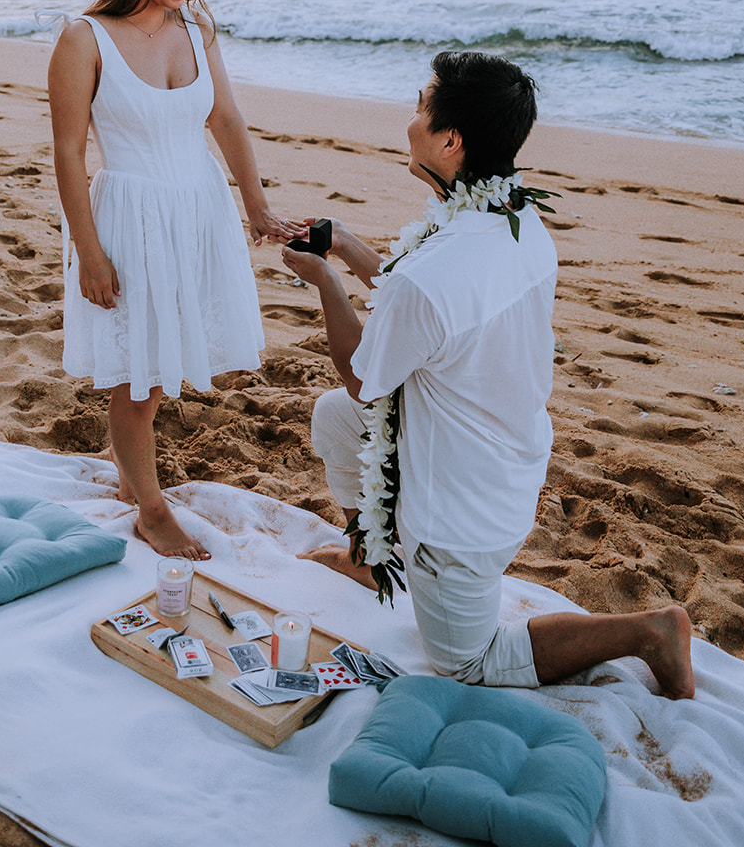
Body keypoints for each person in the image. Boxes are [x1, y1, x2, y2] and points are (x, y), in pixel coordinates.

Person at [283, 51, 695, 699]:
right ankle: (373, 561)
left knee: (468, 662)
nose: (410, 118)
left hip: (460, 508)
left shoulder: (433, 273)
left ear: (450, 140)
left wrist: (324, 282)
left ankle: (650, 631)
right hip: (505, 446)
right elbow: (422, 305)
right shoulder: (512, 215)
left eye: (421, 105)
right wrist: (344, 244)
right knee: (336, 419)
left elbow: (369, 376)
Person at [49, 0, 302, 561]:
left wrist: (255, 206)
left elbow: (225, 121)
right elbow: (68, 153)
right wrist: (89, 253)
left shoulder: (196, 31)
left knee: (157, 373)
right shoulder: (83, 37)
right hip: (130, 218)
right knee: (138, 377)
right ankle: (151, 509)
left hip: (197, 210)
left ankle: (134, 481)